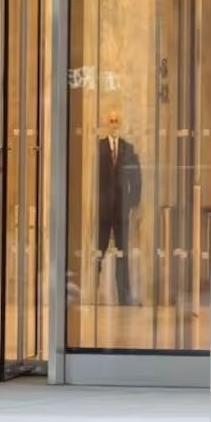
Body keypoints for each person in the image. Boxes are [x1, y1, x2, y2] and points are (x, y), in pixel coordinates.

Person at [96, 110, 141, 305]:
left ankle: (124, 295)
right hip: (104, 209)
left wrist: (132, 203)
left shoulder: (127, 149)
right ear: (107, 124)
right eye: (111, 120)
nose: (114, 124)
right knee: (99, 250)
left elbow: (137, 178)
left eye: (116, 121)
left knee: (123, 252)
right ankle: (92, 293)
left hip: (121, 209)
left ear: (120, 124)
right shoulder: (99, 148)